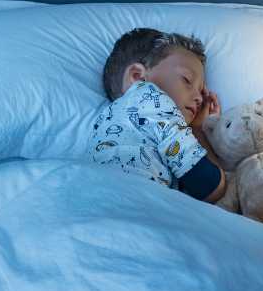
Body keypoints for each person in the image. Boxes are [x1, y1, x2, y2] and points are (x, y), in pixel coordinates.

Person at [88, 28, 225, 202]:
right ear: (138, 77)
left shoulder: (102, 122)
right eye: (187, 80)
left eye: (201, 90)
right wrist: (198, 130)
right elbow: (211, 187)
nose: (199, 98)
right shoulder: (150, 97)